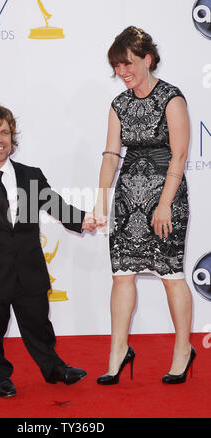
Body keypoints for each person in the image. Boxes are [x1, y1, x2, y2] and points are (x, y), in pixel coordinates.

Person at [0, 103, 96, 397]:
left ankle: (53, 368)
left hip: (29, 269)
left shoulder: (30, 176)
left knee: (39, 324)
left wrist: (82, 219)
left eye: (4, 131)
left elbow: (56, 205)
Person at [94, 26, 195, 385]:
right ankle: (118, 352)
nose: (122, 71)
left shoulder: (171, 98)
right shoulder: (119, 104)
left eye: (128, 63)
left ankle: (183, 350)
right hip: (128, 199)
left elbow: (180, 155)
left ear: (147, 59)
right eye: (117, 66)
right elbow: (110, 155)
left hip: (165, 198)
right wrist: (102, 201)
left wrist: (165, 203)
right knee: (121, 276)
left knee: (170, 276)